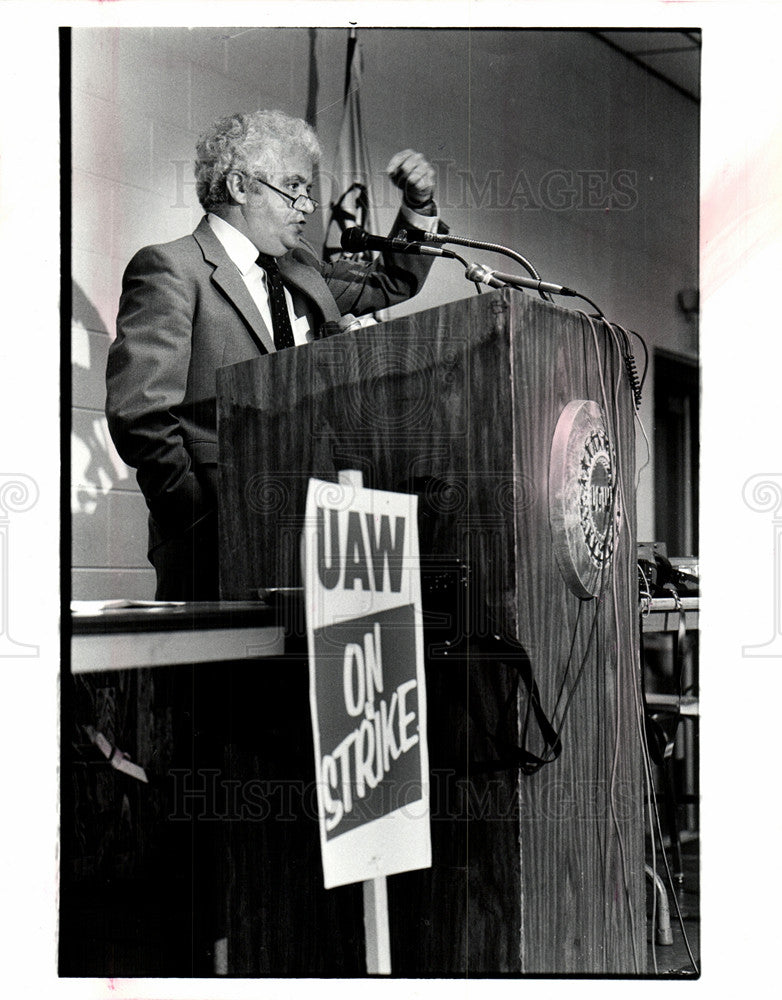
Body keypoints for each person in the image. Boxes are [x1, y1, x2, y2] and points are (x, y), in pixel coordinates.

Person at [106, 109, 446, 600]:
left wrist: (419, 204)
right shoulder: (171, 269)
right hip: (218, 543)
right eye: (294, 187)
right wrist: (203, 518)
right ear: (241, 186)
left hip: (331, 535)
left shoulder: (303, 269)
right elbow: (142, 417)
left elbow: (393, 281)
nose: (308, 205)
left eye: (308, 190)